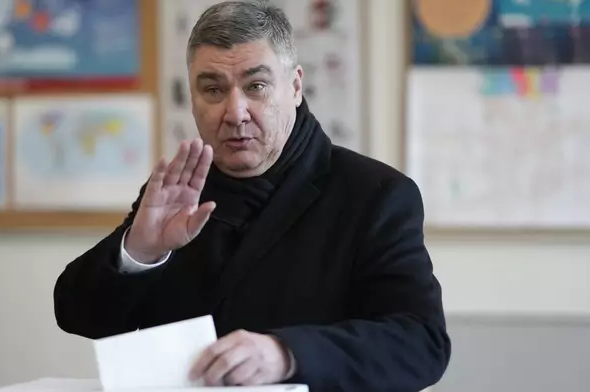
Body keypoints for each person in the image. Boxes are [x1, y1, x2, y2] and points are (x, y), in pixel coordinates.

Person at [53, 1, 451, 391]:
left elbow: (420, 342)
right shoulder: (179, 190)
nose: (235, 112)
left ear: (295, 86)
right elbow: (79, 316)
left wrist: (286, 354)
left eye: (256, 86)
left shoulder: (373, 195)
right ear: (192, 99)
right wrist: (139, 252)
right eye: (213, 89)